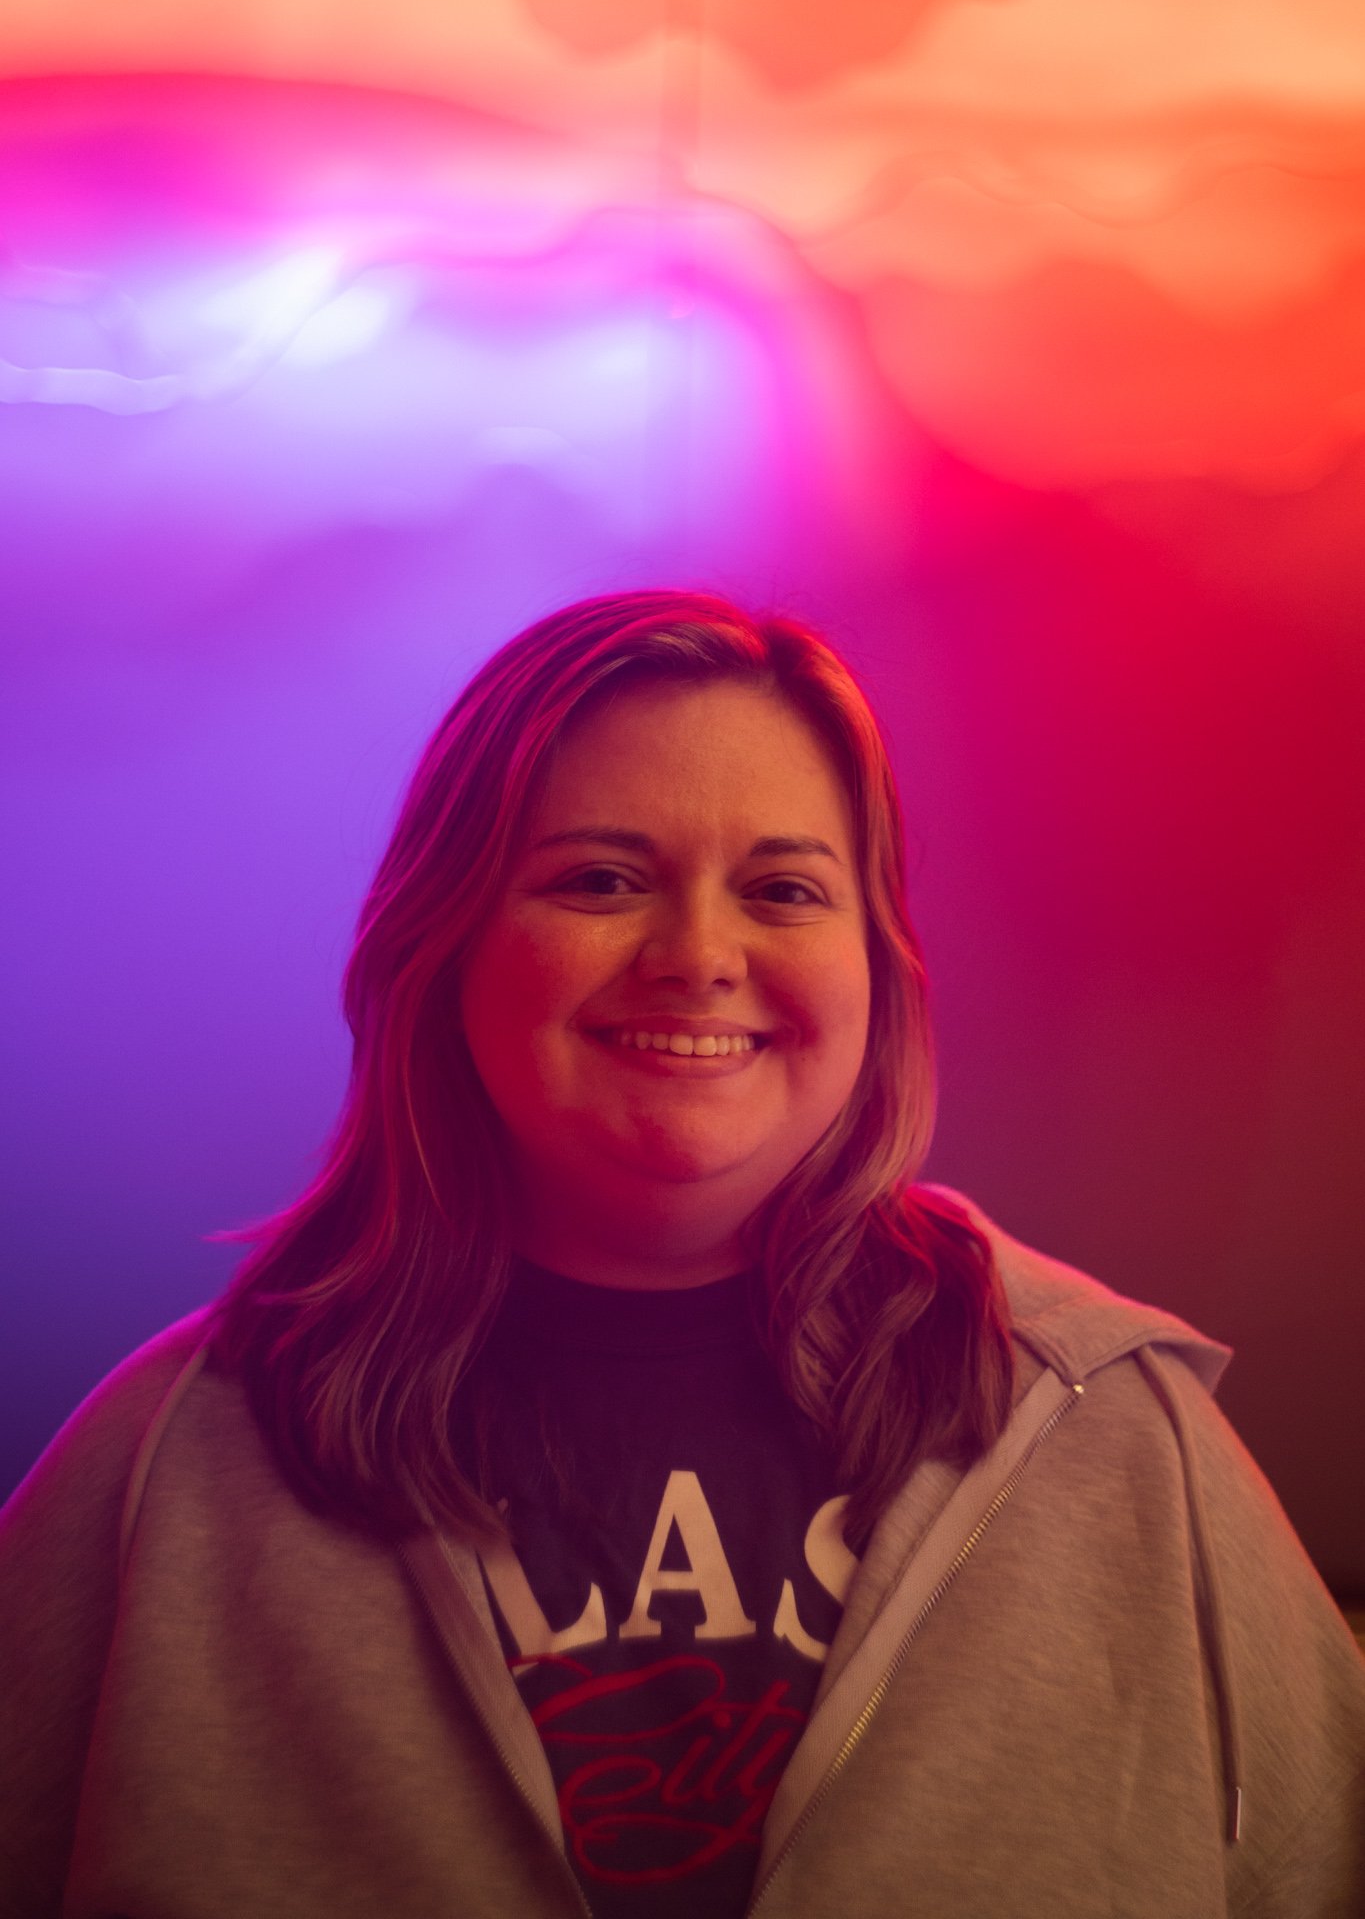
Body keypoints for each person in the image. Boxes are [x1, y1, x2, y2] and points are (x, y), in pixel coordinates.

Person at [1, 589, 1361, 1919]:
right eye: (601, 879)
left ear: (877, 967)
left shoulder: (1118, 1424)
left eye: (782, 889)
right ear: (442, 941)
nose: (701, 955)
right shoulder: (164, 1459)